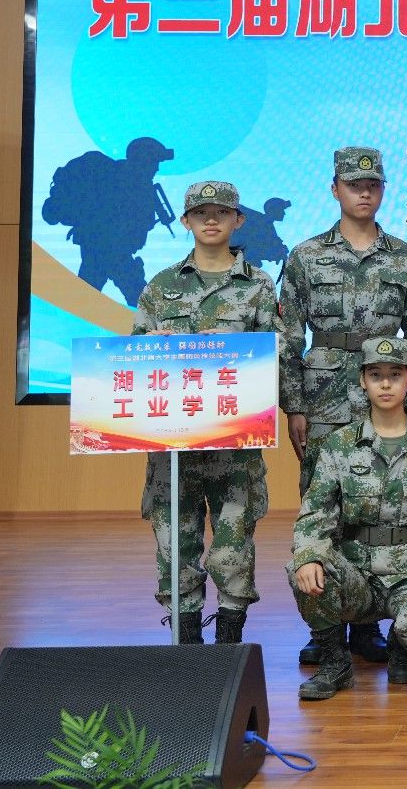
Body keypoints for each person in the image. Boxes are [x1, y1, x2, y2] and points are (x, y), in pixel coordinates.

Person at [279, 146, 407, 666]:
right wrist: (294, 405)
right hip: (323, 400)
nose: (363, 192)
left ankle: (367, 625)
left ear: (383, 189)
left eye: (372, 184)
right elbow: (287, 336)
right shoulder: (305, 256)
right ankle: (325, 628)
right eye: (353, 184)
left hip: (385, 396)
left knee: (378, 505)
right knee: (322, 506)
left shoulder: (405, 257)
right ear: (335, 189)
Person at [132, 180, 278, 644]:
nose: (211, 220)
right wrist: (149, 347)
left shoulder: (258, 285)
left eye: (221, 212)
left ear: (239, 220)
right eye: (200, 213)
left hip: (234, 443)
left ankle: (230, 643)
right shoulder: (161, 287)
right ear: (186, 221)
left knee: (234, 544)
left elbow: (280, 352)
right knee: (174, 542)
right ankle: (186, 645)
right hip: (173, 448)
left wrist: (244, 349)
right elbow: (132, 360)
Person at [290, 336, 407, 700]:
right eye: (376, 375)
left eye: (394, 375)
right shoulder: (340, 444)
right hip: (357, 573)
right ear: (362, 381)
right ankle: (335, 662)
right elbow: (315, 512)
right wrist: (308, 556)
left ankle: (403, 643)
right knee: (302, 567)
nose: (385, 384)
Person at [43, 136, 177, 303]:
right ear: (143, 162)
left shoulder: (134, 183)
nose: (156, 168)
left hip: (109, 252)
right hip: (109, 252)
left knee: (87, 298)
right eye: (154, 163)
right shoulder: (118, 181)